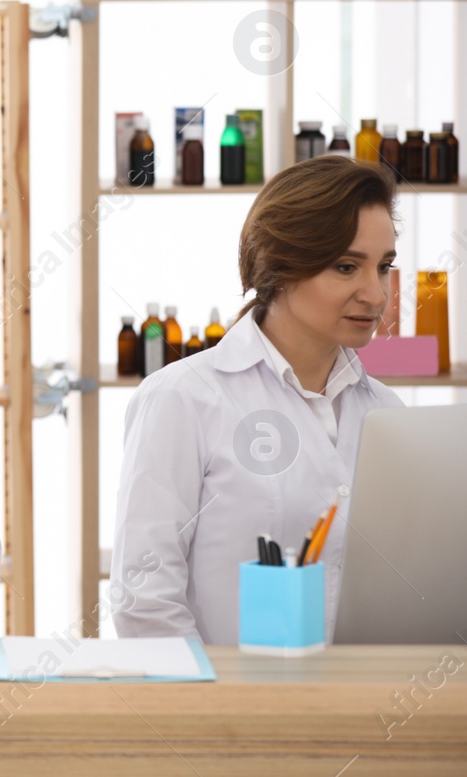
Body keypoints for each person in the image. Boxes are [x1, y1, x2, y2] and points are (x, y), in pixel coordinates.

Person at [112, 155, 402, 643]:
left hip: (362, 707)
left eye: (385, 267)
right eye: (346, 266)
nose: (375, 295)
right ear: (280, 266)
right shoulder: (184, 400)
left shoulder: (386, 414)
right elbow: (145, 599)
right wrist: (216, 711)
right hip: (227, 710)